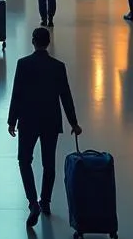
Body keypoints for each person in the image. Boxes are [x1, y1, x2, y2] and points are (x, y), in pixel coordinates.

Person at [7, 27, 82, 227]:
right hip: (51, 120)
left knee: (24, 160)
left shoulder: (23, 65)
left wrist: (11, 120)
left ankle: (33, 203)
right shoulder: (58, 67)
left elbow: (17, 94)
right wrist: (73, 122)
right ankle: (46, 201)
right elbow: (66, 96)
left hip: (28, 120)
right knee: (49, 164)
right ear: (48, 43)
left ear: (33, 41)